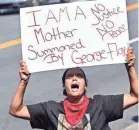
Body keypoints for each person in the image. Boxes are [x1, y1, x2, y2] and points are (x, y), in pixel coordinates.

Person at [9, 47, 138, 130]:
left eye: (79, 76)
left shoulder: (101, 105)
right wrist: (24, 81)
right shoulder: (50, 110)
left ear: (85, 85)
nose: (74, 78)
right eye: (69, 77)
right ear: (64, 86)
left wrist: (130, 67)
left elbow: (135, 96)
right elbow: (16, 110)